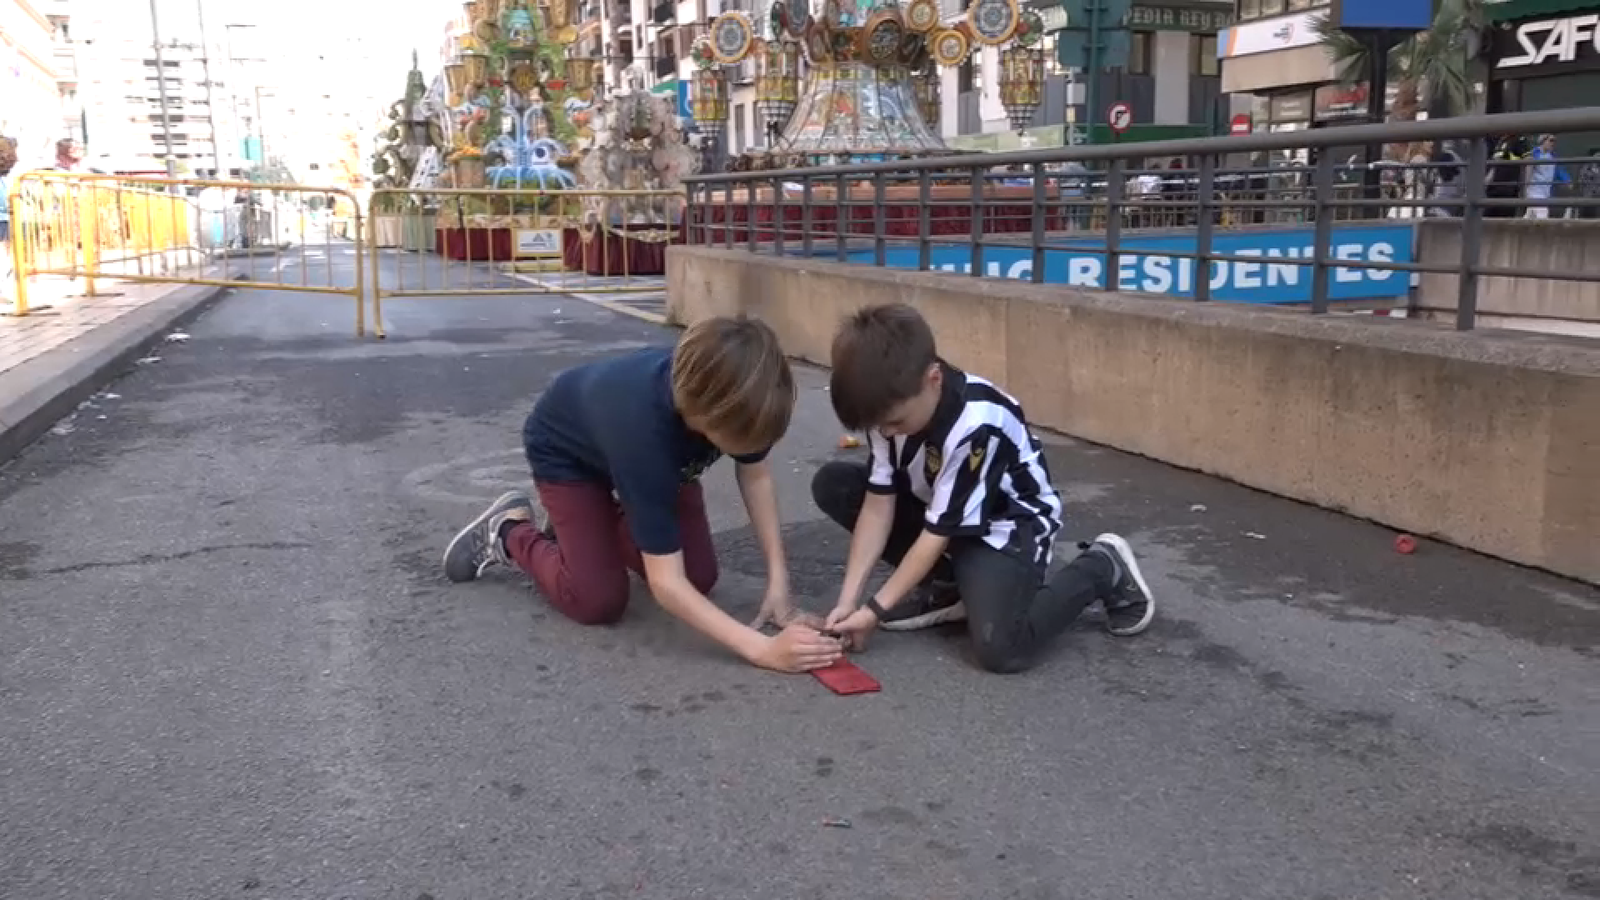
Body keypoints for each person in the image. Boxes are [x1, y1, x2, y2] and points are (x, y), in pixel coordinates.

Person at [441, 316, 844, 674]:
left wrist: (779, 588)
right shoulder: (645, 435)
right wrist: (762, 650)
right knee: (596, 600)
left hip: (647, 464)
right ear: (701, 417)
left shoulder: (739, 394)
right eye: (739, 442)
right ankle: (509, 532)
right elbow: (667, 586)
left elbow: (755, 476)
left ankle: (595, 525)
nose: (751, 447)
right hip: (567, 454)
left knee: (699, 579)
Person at [813, 303, 1156, 674]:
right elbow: (879, 507)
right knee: (836, 485)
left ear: (933, 379)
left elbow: (936, 534)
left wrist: (874, 612)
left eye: (895, 422)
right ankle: (949, 585)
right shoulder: (888, 410)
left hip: (1008, 529)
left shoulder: (976, 424)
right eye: (880, 427)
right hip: (942, 512)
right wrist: (849, 602)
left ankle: (1102, 567)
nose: (887, 434)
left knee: (1002, 650)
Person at [1524, 133, 1569, 219]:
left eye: (1554, 141)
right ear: (1543, 141)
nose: (1553, 143)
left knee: (1530, 216)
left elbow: (1560, 170)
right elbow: (1528, 171)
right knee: (1543, 215)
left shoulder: (1552, 156)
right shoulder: (1534, 154)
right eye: (1551, 140)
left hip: (1545, 193)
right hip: (1535, 192)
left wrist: (1567, 181)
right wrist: (1525, 189)